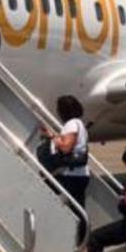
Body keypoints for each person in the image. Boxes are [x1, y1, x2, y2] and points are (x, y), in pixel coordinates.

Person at [41, 95, 90, 238]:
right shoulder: (79, 123)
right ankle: (80, 240)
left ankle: (75, 238)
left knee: (44, 190)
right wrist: (53, 135)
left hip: (71, 175)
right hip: (79, 174)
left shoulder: (71, 124)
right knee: (78, 208)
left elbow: (66, 148)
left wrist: (53, 138)